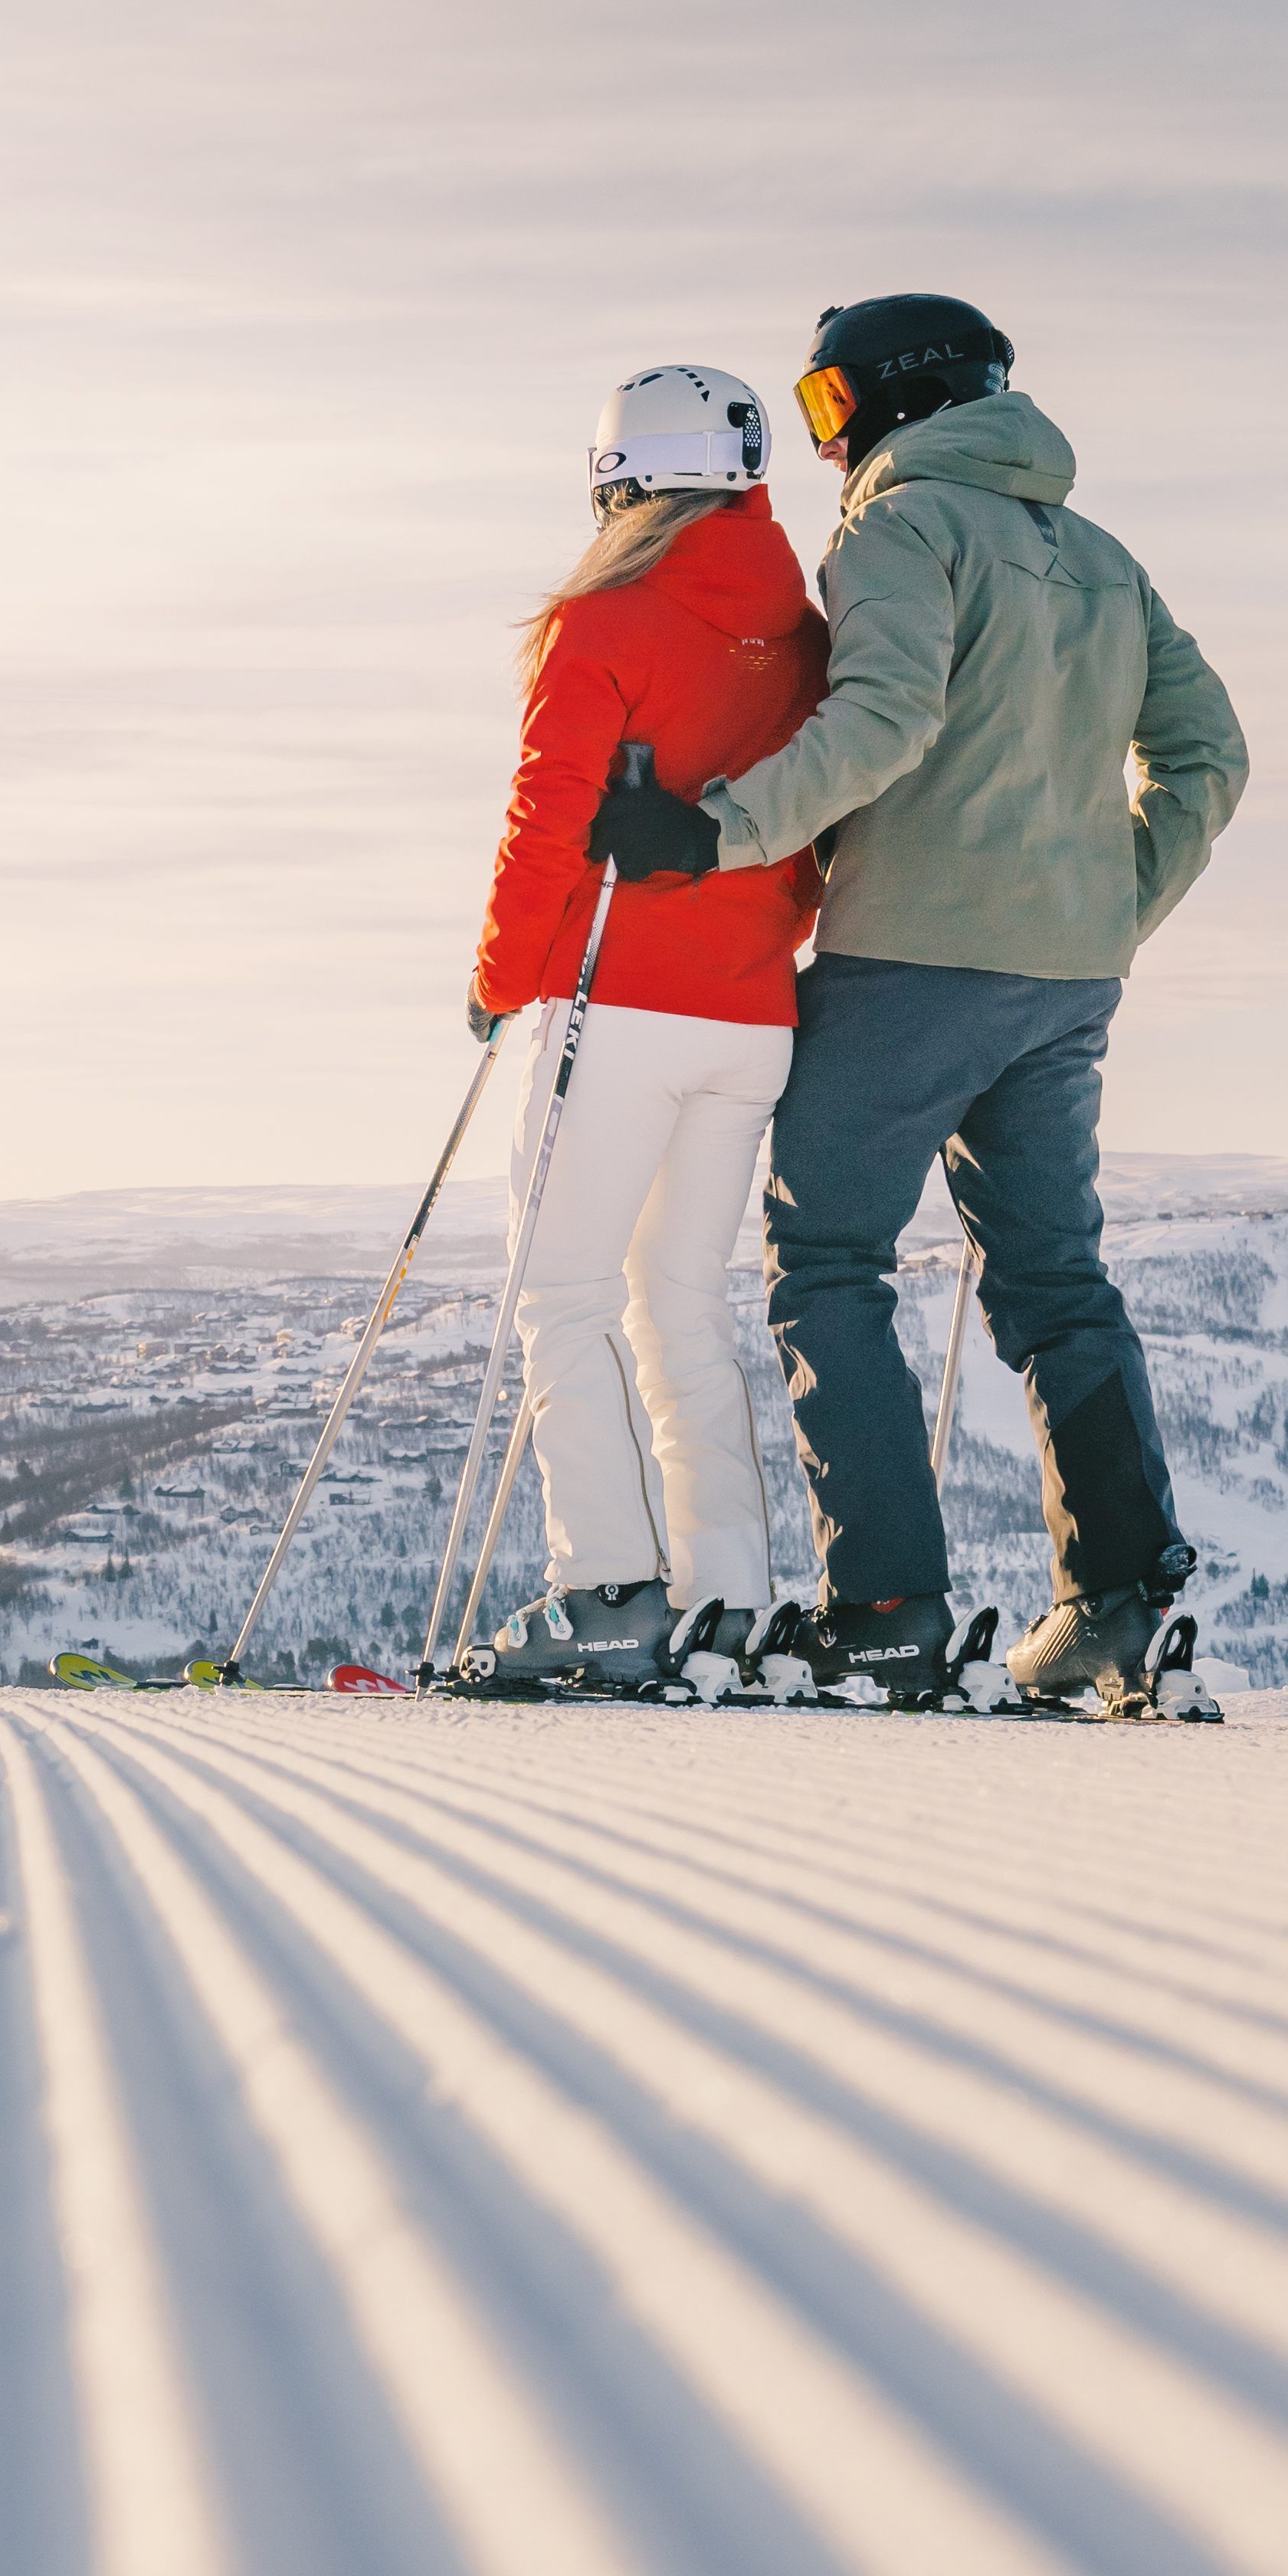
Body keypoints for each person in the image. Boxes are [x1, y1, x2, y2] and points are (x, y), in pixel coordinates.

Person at [588, 293, 1247, 1707]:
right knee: (1056, 1278)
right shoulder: (1106, 559)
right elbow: (1211, 758)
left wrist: (715, 830)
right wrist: (1111, 907)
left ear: (900, 395)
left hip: (912, 965)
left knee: (827, 1262)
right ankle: (1121, 1606)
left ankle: (884, 1608)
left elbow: (883, 719)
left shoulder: (900, 533)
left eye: (830, 407)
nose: (826, 442)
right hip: (1066, 979)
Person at [444, 363, 829, 1699]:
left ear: (620, 479)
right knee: (682, 1304)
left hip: (616, 1000)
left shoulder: (602, 619)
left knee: (562, 1294)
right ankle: (727, 1597)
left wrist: (500, 978)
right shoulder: (805, 626)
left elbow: (546, 820)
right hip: (756, 1010)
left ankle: (606, 1589)